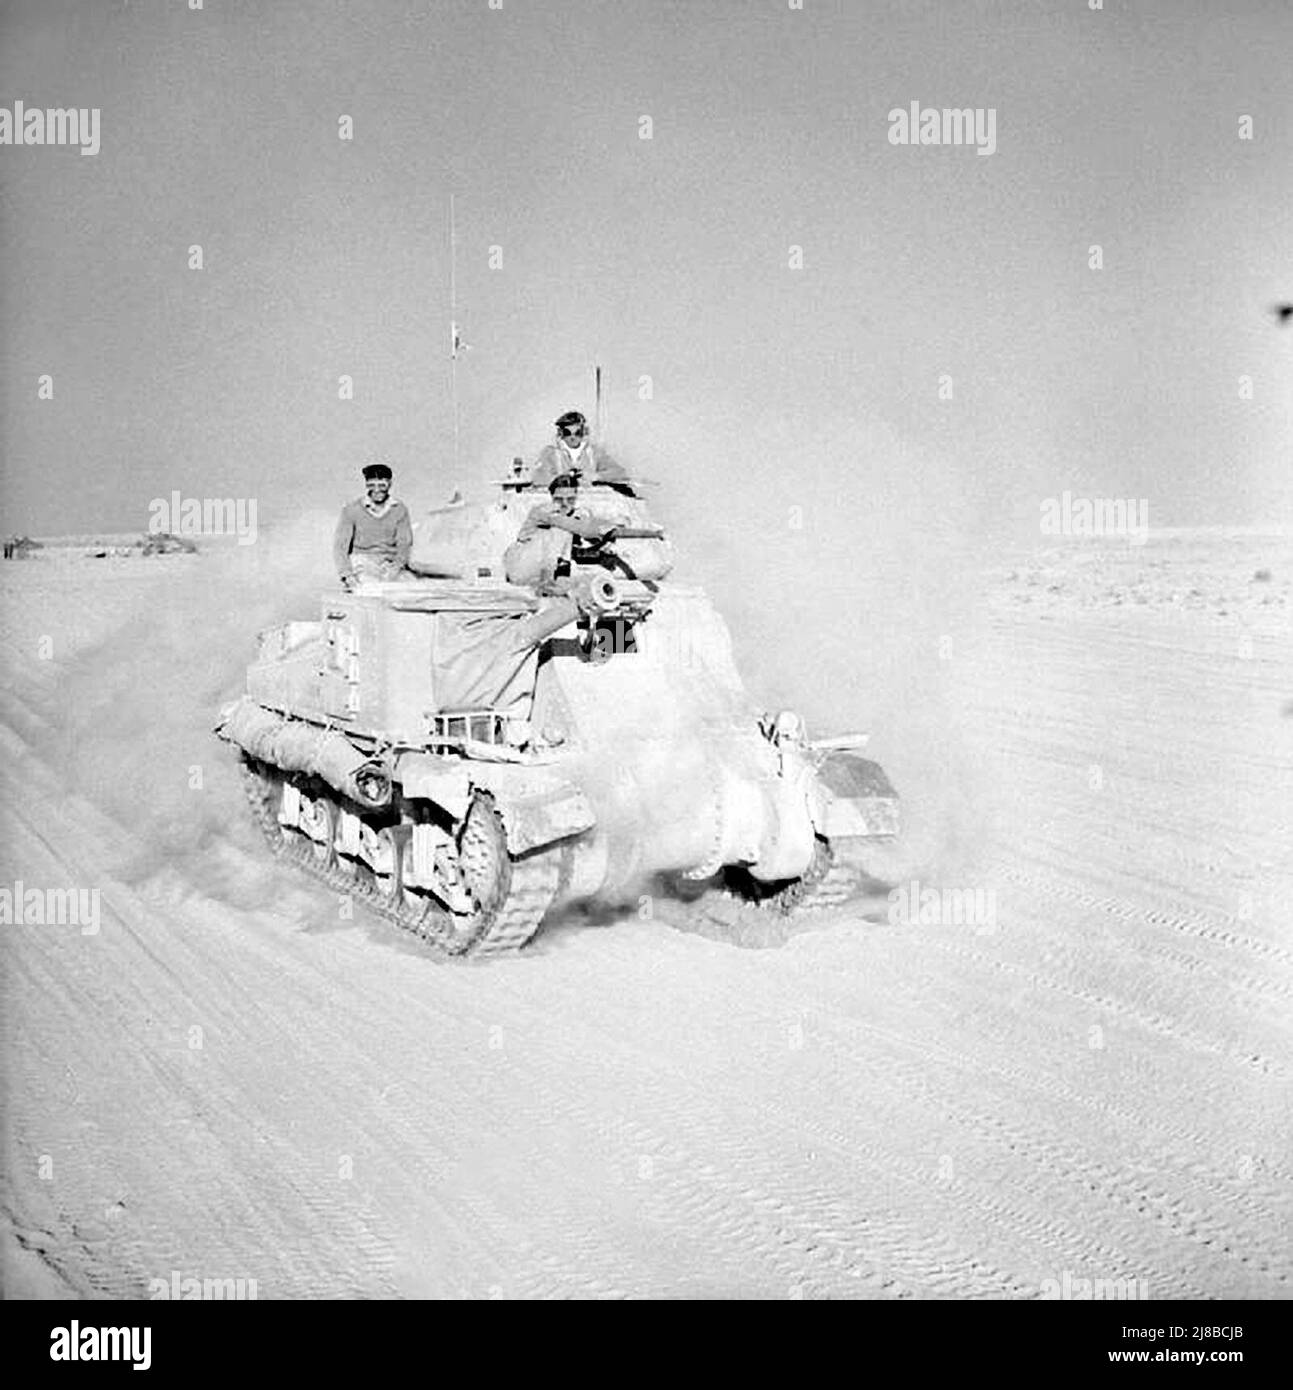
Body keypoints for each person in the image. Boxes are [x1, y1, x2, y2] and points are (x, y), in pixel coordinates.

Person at [505, 472, 620, 591]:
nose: (564, 504)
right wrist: (605, 528)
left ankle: (557, 583)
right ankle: (549, 584)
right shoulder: (544, 511)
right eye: (559, 499)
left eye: (570, 500)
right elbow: (577, 527)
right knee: (562, 531)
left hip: (541, 568)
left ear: (576, 497)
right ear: (551, 497)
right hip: (520, 564)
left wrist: (607, 538)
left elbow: (587, 528)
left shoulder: (577, 514)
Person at [333, 463, 413, 589]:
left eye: (382, 485)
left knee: (411, 588)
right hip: (362, 563)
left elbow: (404, 543)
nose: (377, 490)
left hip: (390, 564)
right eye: (372, 485)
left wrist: (397, 567)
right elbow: (340, 547)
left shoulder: (399, 509)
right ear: (366, 485)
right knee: (372, 589)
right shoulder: (351, 509)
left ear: (389, 484)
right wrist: (347, 575)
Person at [528, 410, 633, 491]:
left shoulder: (594, 452)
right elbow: (538, 478)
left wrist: (596, 477)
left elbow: (620, 473)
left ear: (584, 432)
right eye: (567, 433)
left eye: (577, 433)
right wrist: (564, 479)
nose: (573, 437)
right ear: (560, 433)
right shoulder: (550, 453)